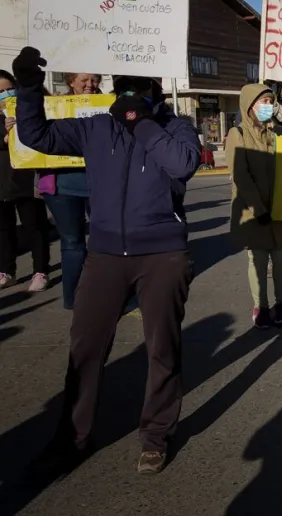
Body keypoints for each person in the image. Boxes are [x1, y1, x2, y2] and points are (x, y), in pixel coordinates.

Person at [14, 47, 200, 476]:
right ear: (114, 90)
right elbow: (36, 136)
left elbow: (183, 164)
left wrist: (143, 125)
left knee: (162, 349)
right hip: (104, 255)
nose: (132, 95)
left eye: (142, 87)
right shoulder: (96, 127)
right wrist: (27, 89)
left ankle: (155, 436)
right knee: (86, 350)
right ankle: (72, 438)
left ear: (157, 91)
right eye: (125, 87)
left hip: (162, 256)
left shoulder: (178, 129)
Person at [227, 83, 282, 329]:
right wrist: (258, 209)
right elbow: (241, 176)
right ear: (249, 106)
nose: (268, 107)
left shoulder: (277, 133)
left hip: (281, 209)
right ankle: (261, 307)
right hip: (254, 211)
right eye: (263, 102)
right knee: (257, 261)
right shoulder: (238, 134)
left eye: (270, 102)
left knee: (281, 261)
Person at [38, 72, 102, 309]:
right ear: (71, 82)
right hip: (62, 186)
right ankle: (74, 298)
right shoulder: (52, 107)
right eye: (84, 80)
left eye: (95, 79)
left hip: (103, 184)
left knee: (105, 240)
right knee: (72, 242)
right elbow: (36, 139)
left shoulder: (111, 106)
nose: (90, 84)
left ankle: (107, 291)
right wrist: (16, 125)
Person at [234, 79, 282, 269]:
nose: (271, 89)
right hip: (261, 170)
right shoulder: (250, 103)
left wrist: (280, 114)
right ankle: (263, 260)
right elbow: (243, 128)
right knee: (261, 217)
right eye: (267, 85)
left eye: (274, 86)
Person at [0, 70, 50, 292]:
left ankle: (40, 271)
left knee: (35, 226)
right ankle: (6, 271)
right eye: (0, 91)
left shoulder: (27, 109)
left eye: (9, 88)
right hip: (2, 181)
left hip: (28, 177)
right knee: (3, 229)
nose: (6, 94)